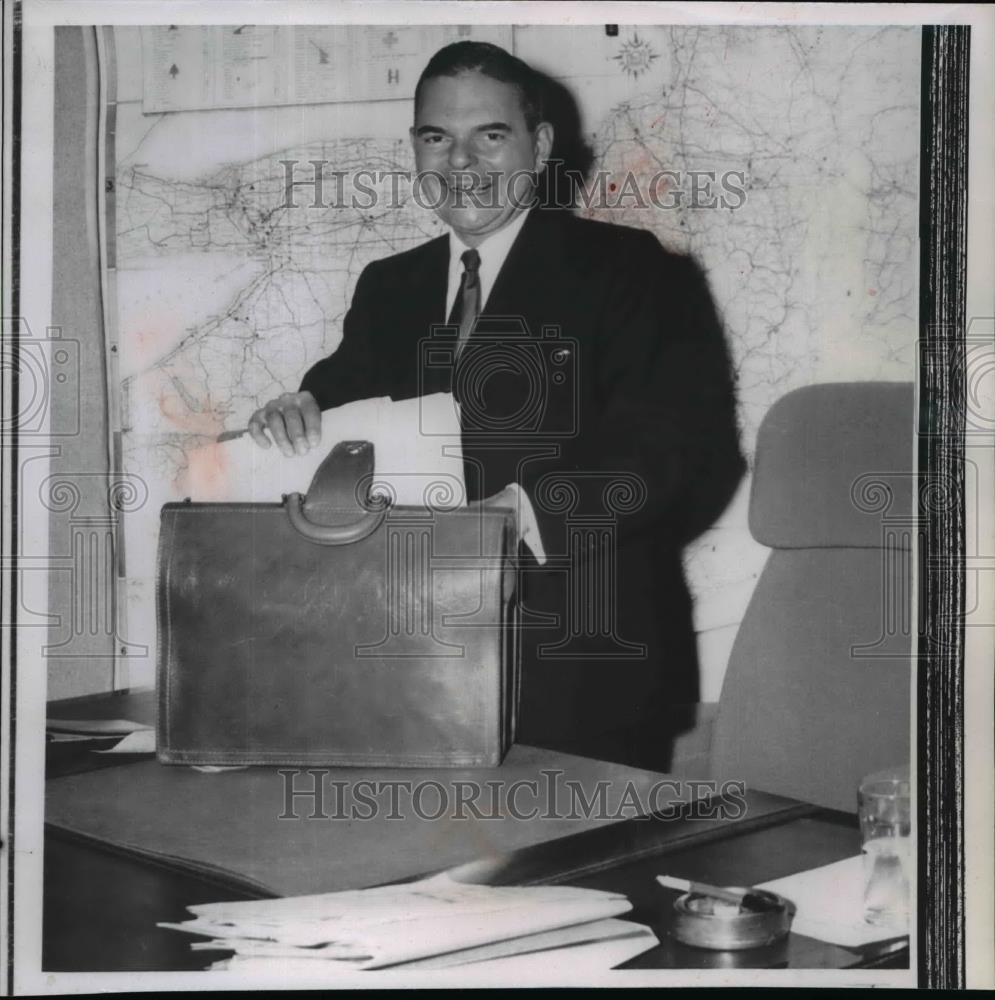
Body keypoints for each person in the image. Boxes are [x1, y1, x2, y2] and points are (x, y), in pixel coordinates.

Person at [249, 41, 744, 771]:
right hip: (408, 665)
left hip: (581, 668)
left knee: (580, 880)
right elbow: (343, 388)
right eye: (435, 137)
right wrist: (299, 408)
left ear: (539, 146)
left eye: (490, 135)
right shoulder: (389, 284)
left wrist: (521, 513)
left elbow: (675, 449)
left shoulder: (628, 269)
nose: (460, 162)